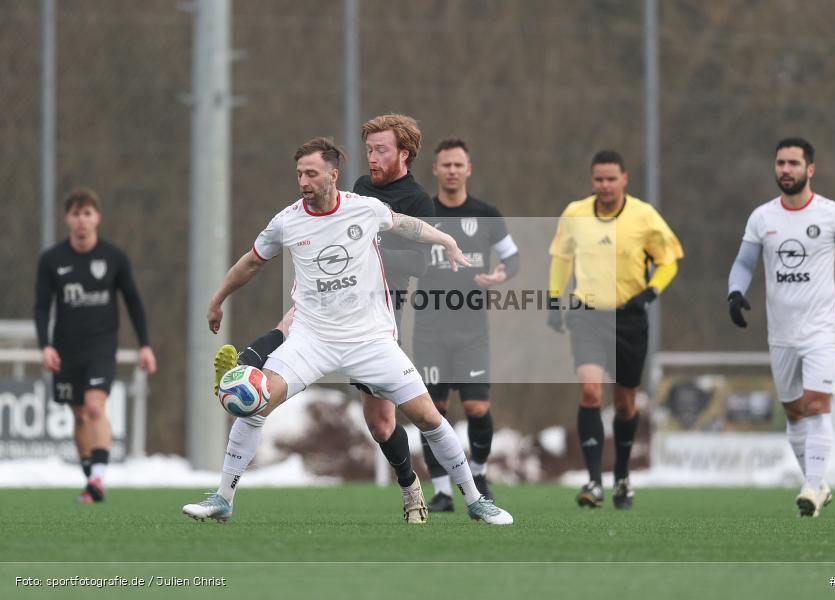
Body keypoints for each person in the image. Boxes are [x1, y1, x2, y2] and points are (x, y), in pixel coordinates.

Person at [182, 137, 513, 526]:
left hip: (370, 339)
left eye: (311, 173)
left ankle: (475, 501)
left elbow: (407, 225)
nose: (303, 181)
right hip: (312, 338)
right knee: (254, 402)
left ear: (332, 175)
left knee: (427, 417)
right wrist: (218, 297)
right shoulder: (287, 220)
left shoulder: (365, 208)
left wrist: (445, 238)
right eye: (299, 174)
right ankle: (223, 498)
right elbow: (252, 262)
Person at [210, 114, 435, 524]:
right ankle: (246, 369)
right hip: (329, 304)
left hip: (374, 317)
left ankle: (410, 487)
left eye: (380, 149)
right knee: (290, 322)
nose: (372, 157)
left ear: (404, 154)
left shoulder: (418, 202)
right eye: (368, 149)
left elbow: (420, 259)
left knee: (381, 425)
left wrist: (361, 252)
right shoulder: (362, 190)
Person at [727, 137, 835, 518]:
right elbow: (744, 262)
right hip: (781, 332)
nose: (786, 170)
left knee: (816, 404)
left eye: (794, 163)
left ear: (810, 169)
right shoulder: (762, 217)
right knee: (793, 412)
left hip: (823, 329)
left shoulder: (833, 215)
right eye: (780, 163)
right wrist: (734, 292)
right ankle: (817, 483)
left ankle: (810, 487)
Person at [547, 150, 682, 510]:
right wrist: (554, 299)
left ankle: (622, 475)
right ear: (592, 181)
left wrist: (651, 292)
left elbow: (670, 261)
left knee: (625, 403)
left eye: (611, 179)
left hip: (630, 319)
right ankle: (593, 481)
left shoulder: (644, 217)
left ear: (625, 179)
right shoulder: (575, 213)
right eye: (598, 179)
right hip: (587, 316)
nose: (604, 185)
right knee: (590, 392)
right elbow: (561, 259)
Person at [413, 138, 520, 512]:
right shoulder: (423, 213)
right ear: (436, 170)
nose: (453, 171)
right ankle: (442, 491)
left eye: (459, 165)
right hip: (429, 328)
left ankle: (479, 472)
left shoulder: (487, 214)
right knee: (432, 411)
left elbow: (513, 259)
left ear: (468, 169)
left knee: (476, 407)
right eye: (446, 165)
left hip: (472, 329)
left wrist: (500, 275)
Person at [34, 187, 157, 503]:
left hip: (101, 347)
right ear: (67, 219)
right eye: (76, 214)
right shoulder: (52, 259)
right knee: (78, 416)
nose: (81, 221)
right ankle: (91, 477)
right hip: (65, 349)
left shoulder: (114, 258)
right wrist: (45, 346)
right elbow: (41, 306)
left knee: (94, 407)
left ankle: (99, 478)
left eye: (87, 213)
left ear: (97, 217)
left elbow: (133, 302)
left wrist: (145, 345)